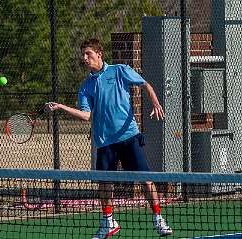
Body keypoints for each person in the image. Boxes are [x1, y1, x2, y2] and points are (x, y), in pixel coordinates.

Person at [46, 38, 173, 238]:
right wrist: (61, 107)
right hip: (104, 142)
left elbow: (144, 84)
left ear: (99, 54)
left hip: (129, 137)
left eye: (88, 54)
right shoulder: (86, 86)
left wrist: (155, 102)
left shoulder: (119, 70)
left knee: (146, 180)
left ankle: (158, 219)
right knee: (104, 183)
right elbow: (87, 115)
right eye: (83, 55)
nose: (85, 58)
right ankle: (108, 222)